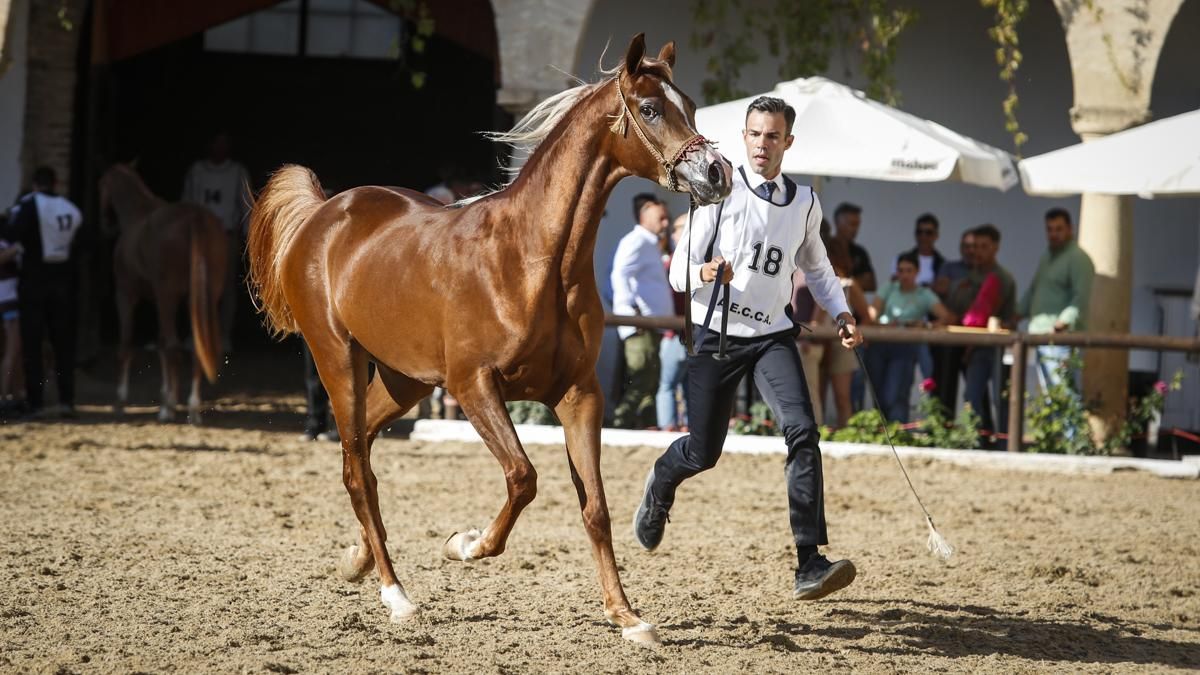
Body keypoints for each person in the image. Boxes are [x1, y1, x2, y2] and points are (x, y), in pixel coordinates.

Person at [634, 96, 864, 601]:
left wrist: (843, 312)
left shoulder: (804, 202)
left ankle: (809, 561)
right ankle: (661, 482)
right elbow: (677, 270)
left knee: (803, 430)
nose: (763, 144)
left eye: (773, 136)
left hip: (772, 338)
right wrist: (705, 271)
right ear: (744, 137)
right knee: (702, 451)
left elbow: (819, 268)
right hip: (716, 336)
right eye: (755, 134)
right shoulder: (718, 189)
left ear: (788, 142)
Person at [0, 167, 84, 417]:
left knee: (33, 345)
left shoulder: (29, 205)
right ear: (56, 183)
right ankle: (67, 400)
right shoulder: (71, 208)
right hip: (62, 284)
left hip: (34, 283)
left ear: (35, 184)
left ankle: (36, 402)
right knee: (63, 345)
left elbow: (13, 234)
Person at [1017, 208, 1095, 418]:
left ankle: (1076, 446)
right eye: (1050, 229)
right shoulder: (1047, 256)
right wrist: (1016, 313)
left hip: (1062, 338)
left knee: (1065, 395)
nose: (1054, 234)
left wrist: (1064, 321)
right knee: (1053, 397)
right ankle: (1062, 445)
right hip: (1042, 336)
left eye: (1059, 229)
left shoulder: (1078, 258)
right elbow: (1035, 290)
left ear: (1071, 229)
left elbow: (1081, 296)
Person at [182, 132, 252, 355]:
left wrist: (248, 236)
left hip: (225, 236)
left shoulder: (237, 172)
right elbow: (187, 203)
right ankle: (196, 335)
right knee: (196, 286)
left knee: (225, 288)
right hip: (200, 237)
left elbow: (246, 206)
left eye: (225, 144)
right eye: (217, 143)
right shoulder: (198, 171)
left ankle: (223, 337)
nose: (221, 148)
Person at [610, 193, 674, 428]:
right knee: (641, 379)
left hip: (651, 326)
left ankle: (647, 425)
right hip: (640, 325)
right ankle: (620, 423)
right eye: (661, 218)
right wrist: (630, 311)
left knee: (651, 382)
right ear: (645, 214)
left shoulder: (649, 243)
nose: (665, 223)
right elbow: (620, 274)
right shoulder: (636, 241)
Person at [867, 253, 955, 423]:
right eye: (901, 271)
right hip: (881, 344)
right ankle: (882, 432)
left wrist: (926, 325)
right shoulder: (889, 288)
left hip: (904, 347)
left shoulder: (924, 294)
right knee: (878, 393)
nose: (904, 275)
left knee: (894, 393)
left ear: (917, 272)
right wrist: (879, 322)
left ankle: (898, 432)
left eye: (909, 270)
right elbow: (873, 312)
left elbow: (946, 316)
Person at [952, 225, 1017, 436]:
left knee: (1002, 398)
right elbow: (961, 311)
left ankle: (1006, 442)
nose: (978, 251)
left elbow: (1006, 316)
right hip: (974, 348)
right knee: (972, 396)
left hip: (997, 348)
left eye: (984, 246)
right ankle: (975, 438)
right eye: (975, 246)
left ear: (995, 248)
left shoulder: (1003, 278)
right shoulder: (968, 276)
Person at [811, 226, 872, 428]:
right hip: (819, 342)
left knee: (842, 395)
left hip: (840, 343)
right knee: (816, 393)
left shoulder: (847, 284)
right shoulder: (813, 282)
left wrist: (856, 332)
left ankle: (846, 432)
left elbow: (866, 314)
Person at [656, 213, 690, 431]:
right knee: (681, 384)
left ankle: (670, 424)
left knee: (670, 385)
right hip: (683, 335)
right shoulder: (669, 263)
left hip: (678, 335)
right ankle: (677, 424)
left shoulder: (669, 263)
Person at [833, 202, 875, 292]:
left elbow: (871, 284)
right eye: (852, 224)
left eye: (857, 225)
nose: (855, 229)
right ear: (838, 223)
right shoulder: (826, 248)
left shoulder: (860, 252)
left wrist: (846, 281)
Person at [0, 236, 21, 410]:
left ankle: (14, 395)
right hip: (8, 299)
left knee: (14, 352)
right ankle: (5, 397)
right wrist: (18, 247)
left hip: (9, 299)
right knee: (11, 352)